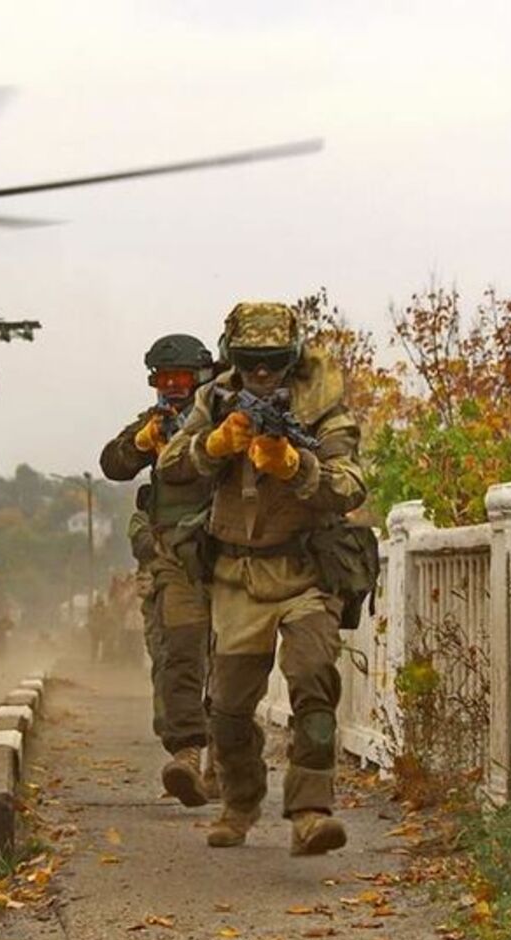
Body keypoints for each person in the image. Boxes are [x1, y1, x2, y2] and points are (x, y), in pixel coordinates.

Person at [158, 301, 365, 856]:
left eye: (274, 363)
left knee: (314, 680)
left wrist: (299, 467)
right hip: (235, 575)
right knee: (226, 709)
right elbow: (169, 466)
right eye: (253, 363)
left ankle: (311, 810)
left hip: (304, 571)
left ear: (291, 359)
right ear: (234, 359)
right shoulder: (215, 401)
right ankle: (241, 801)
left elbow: (351, 487)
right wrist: (214, 445)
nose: (264, 376)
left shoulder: (322, 408)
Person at [100, 333, 218, 807]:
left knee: (233, 664)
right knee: (182, 653)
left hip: (230, 550)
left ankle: (224, 764)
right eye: (163, 380)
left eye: (181, 379)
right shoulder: (156, 424)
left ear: (201, 377)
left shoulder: (223, 415)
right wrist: (143, 442)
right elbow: (113, 463)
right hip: (175, 557)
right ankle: (187, 754)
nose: (172, 388)